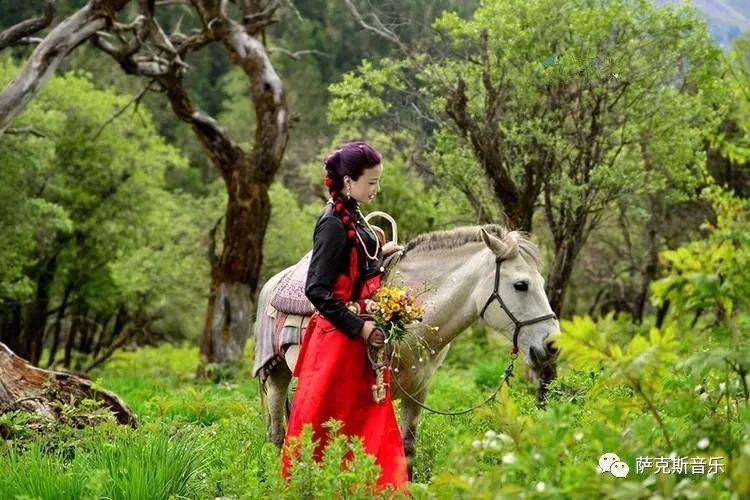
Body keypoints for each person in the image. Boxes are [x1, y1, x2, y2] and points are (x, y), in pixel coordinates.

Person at [281, 141, 408, 491]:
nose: (377, 189)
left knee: (366, 415)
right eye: (371, 182)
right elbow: (317, 289)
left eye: (378, 181)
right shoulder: (333, 223)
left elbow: (356, 265)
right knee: (334, 419)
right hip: (339, 341)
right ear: (348, 181)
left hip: (358, 339)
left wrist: (381, 257)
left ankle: (373, 487)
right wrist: (360, 327)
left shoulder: (352, 212)